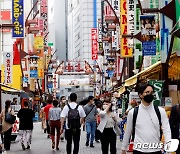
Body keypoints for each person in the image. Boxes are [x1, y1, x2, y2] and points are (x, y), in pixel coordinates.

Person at [121, 83, 171, 154]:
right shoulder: (133, 112)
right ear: (140, 95)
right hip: (139, 150)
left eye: (151, 92)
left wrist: (169, 146)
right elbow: (128, 131)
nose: (150, 94)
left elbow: (166, 129)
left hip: (155, 150)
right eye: (147, 92)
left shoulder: (160, 111)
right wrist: (124, 148)